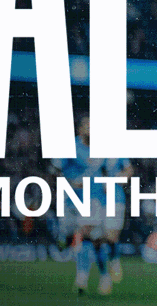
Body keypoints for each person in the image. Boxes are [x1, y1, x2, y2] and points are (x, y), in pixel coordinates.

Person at [56, 117, 131, 296]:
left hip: (93, 199)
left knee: (91, 235)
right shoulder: (71, 147)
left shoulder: (105, 149)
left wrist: (113, 181)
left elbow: (117, 170)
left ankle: (85, 278)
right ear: (80, 129)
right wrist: (69, 182)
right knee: (77, 237)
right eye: (87, 126)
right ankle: (101, 274)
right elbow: (56, 169)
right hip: (70, 200)